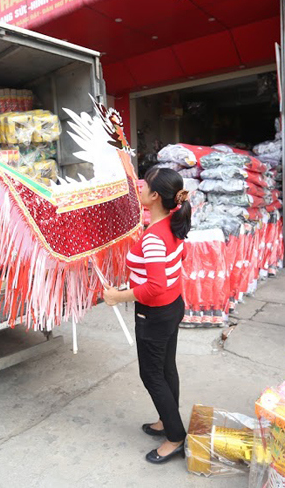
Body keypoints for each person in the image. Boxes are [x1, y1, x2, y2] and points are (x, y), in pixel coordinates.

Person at [104, 167, 191, 464]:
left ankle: (176, 436)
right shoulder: (172, 224)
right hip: (171, 307)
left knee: (151, 373)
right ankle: (168, 421)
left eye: (144, 184)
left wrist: (119, 296)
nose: (138, 186)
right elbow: (176, 262)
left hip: (155, 313)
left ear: (154, 196)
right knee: (166, 368)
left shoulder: (155, 236)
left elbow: (154, 287)